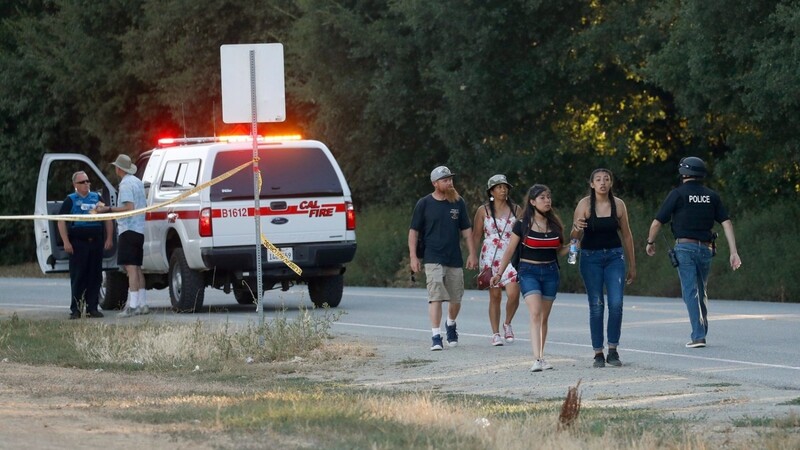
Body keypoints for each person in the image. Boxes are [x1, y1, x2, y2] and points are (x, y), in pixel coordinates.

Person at [645, 157, 742, 348]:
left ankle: (698, 336)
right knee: (701, 289)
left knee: (690, 291)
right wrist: (734, 252)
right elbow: (727, 223)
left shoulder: (677, 194)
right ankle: (702, 330)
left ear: (683, 173)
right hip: (706, 248)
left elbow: (657, 222)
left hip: (685, 248)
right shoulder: (711, 195)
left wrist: (650, 242)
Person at [491, 184, 568, 371]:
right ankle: (537, 359)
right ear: (532, 202)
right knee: (535, 312)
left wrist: (575, 245)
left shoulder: (555, 224)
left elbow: (560, 250)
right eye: (542, 197)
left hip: (551, 272)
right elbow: (509, 250)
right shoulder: (521, 224)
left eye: (548, 196)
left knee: (544, 317)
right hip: (528, 271)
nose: (547, 200)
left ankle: (542, 356)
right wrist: (499, 273)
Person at [570, 168, 636, 368]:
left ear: (611, 183)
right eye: (598, 179)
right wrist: (576, 232)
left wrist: (633, 265)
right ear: (592, 184)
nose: (602, 183)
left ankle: (613, 350)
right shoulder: (584, 205)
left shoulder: (619, 205)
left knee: (616, 304)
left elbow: (627, 235)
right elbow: (574, 237)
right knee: (597, 305)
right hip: (590, 258)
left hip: (615, 257)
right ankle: (598, 352)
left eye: (606, 179)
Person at [409, 165, 478, 351]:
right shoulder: (424, 204)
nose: (449, 182)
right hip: (432, 257)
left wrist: (472, 253)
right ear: (435, 183)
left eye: (450, 179)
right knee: (436, 296)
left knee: (456, 299)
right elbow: (413, 231)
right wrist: (413, 256)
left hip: (454, 257)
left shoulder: (458, 202)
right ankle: (436, 335)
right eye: (445, 180)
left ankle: (451, 323)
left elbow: (466, 230)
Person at [97, 154, 149, 317]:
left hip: (128, 229)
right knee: (137, 267)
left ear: (119, 168)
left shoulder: (126, 185)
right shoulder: (138, 182)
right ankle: (142, 303)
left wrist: (109, 209)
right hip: (139, 229)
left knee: (130, 268)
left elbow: (128, 207)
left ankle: (132, 305)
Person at [472, 174, 521, 346]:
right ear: (491, 190)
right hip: (490, 255)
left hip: (511, 254)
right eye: (499, 187)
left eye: (505, 186)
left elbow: (523, 233)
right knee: (495, 296)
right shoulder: (483, 210)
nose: (503, 189)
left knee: (514, 292)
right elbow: (476, 235)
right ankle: (495, 333)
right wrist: (472, 255)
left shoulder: (516, 209)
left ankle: (507, 323)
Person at [57, 171, 114, 319]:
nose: (86, 184)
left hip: (95, 242)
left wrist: (109, 238)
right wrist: (66, 242)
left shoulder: (96, 198)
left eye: (88, 181)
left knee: (95, 276)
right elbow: (61, 221)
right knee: (78, 276)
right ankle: (76, 309)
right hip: (78, 243)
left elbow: (107, 218)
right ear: (75, 184)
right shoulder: (70, 200)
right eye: (82, 182)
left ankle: (92, 308)